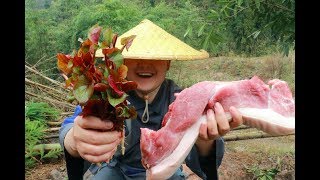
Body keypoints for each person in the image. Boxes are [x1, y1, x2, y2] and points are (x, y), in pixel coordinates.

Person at [59, 19, 244, 180]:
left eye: (155, 58)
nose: (145, 64)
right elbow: (73, 125)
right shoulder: (110, 96)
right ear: (121, 62)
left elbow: (206, 162)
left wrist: (205, 141)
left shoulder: (182, 100)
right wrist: (74, 140)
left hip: (165, 172)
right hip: (117, 171)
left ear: (168, 63)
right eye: (136, 57)